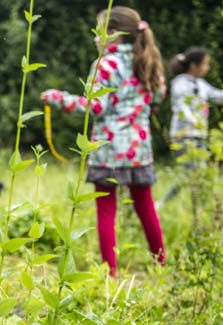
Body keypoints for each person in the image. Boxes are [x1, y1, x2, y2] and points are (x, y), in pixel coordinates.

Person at [41, 6, 166, 277]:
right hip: (140, 149)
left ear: (113, 34)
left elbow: (95, 107)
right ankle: (161, 265)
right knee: (145, 207)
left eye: (99, 31)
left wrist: (58, 98)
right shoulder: (148, 59)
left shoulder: (104, 64)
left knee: (106, 209)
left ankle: (111, 272)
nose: (95, 37)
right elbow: (158, 96)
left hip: (108, 149)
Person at [159, 47, 223, 205]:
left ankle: (199, 207)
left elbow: (218, 96)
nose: (208, 67)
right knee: (189, 174)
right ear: (194, 65)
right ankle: (165, 203)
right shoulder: (179, 83)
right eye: (205, 64)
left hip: (199, 135)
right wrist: (191, 119)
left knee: (199, 173)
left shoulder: (201, 84)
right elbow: (180, 104)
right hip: (183, 135)